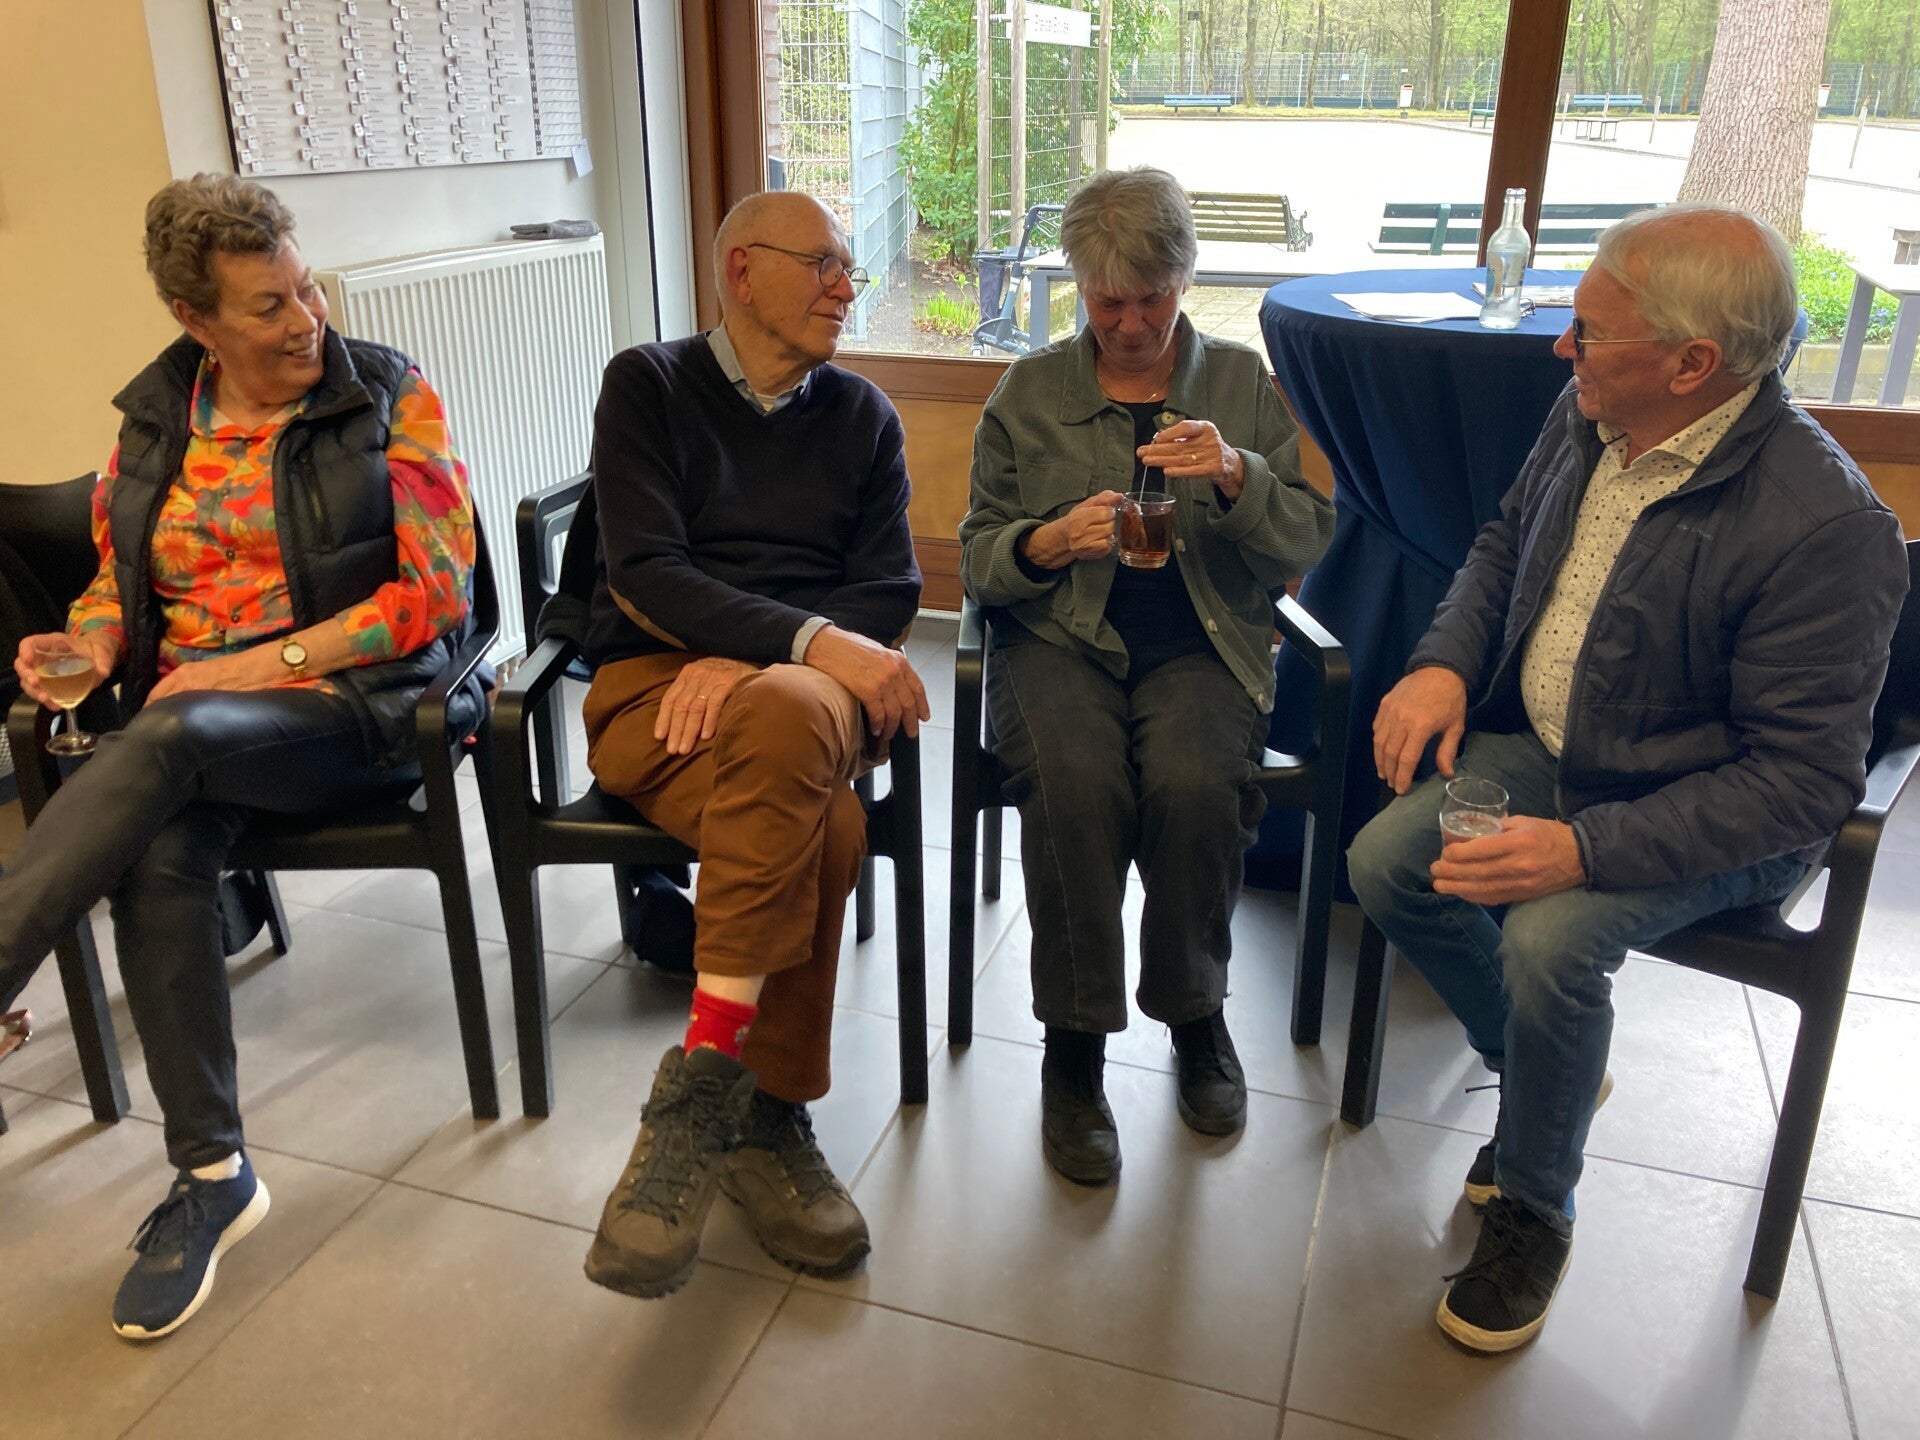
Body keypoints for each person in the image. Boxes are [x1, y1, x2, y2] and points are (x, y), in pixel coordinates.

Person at [1346, 203, 1908, 1354]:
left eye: (1592, 332)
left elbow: (1804, 784)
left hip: (1710, 806)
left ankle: (1537, 1210)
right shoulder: (1594, 410)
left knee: (1553, 942)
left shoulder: (1827, 527)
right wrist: (1444, 663)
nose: (1565, 347)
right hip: (1560, 747)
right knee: (1385, 862)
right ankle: (1544, 1075)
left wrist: (1585, 851)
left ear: (1693, 364)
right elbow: (1505, 540)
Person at [0, 174, 483, 1339]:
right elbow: (120, 583)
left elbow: (435, 595)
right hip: (195, 737)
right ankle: (214, 1178)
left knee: (164, 738)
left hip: (354, 712)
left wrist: (253, 667)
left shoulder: (388, 395)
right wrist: (91, 643)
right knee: (161, 848)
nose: (306, 318)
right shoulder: (156, 420)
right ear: (196, 320)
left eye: (304, 288)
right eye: (269, 305)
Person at [957, 167, 1335, 1186]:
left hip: (1204, 644)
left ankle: (1194, 1013)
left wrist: (1237, 475)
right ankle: (1074, 1047)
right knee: (1076, 784)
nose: (1130, 324)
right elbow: (977, 557)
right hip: (1058, 641)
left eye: (1152, 299)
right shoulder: (1029, 392)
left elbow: (1306, 537)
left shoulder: (1239, 385)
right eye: (1107, 301)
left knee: (1196, 782)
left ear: (1185, 279)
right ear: (1079, 287)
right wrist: (1044, 542)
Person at [579, 190, 926, 1298]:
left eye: (849, 267)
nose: (847, 286)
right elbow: (645, 571)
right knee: (828, 829)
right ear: (741, 271)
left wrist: (770, 662)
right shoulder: (648, 386)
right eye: (824, 264)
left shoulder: (864, 416)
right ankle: (768, 1119)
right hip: (658, 694)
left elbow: (891, 586)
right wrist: (794, 641)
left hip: (800, 701)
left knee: (787, 711)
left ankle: (701, 1094)